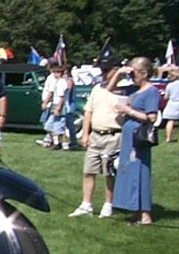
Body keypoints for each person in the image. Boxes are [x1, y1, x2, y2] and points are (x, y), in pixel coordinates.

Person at [68, 55, 125, 218]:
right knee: (88, 171)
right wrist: (85, 134)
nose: (104, 74)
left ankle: (108, 204)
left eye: (107, 71)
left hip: (113, 135)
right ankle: (86, 204)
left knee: (109, 173)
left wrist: (119, 74)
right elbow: (88, 112)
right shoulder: (97, 88)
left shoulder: (124, 89)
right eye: (103, 71)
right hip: (96, 135)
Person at [112, 57, 159, 225]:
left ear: (144, 73)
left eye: (134, 74)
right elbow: (110, 89)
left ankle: (145, 214)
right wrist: (119, 73)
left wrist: (129, 111)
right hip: (129, 139)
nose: (131, 77)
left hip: (139, 139)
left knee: (140, 172)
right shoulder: (135, 89)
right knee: (129, 172)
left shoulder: (151, 91)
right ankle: (135, 209)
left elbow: (151, 117)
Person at [38, 63, 69, 149]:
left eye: (58, 72)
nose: (55, 74)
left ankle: (64, 144)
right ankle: (56, 142)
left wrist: (58, 108)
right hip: (54, 104)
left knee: (59, 127)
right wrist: (45, 102)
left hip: (60, 106)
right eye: (54, 72)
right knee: (49, 126)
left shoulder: (62, 82)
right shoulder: (55, 81)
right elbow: (50, 93)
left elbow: (62, 97)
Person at [162, 67, 179, 143]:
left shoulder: (169, 85)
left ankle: (168, 138)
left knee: (170, 121)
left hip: (172, 103)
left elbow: (166, 97)